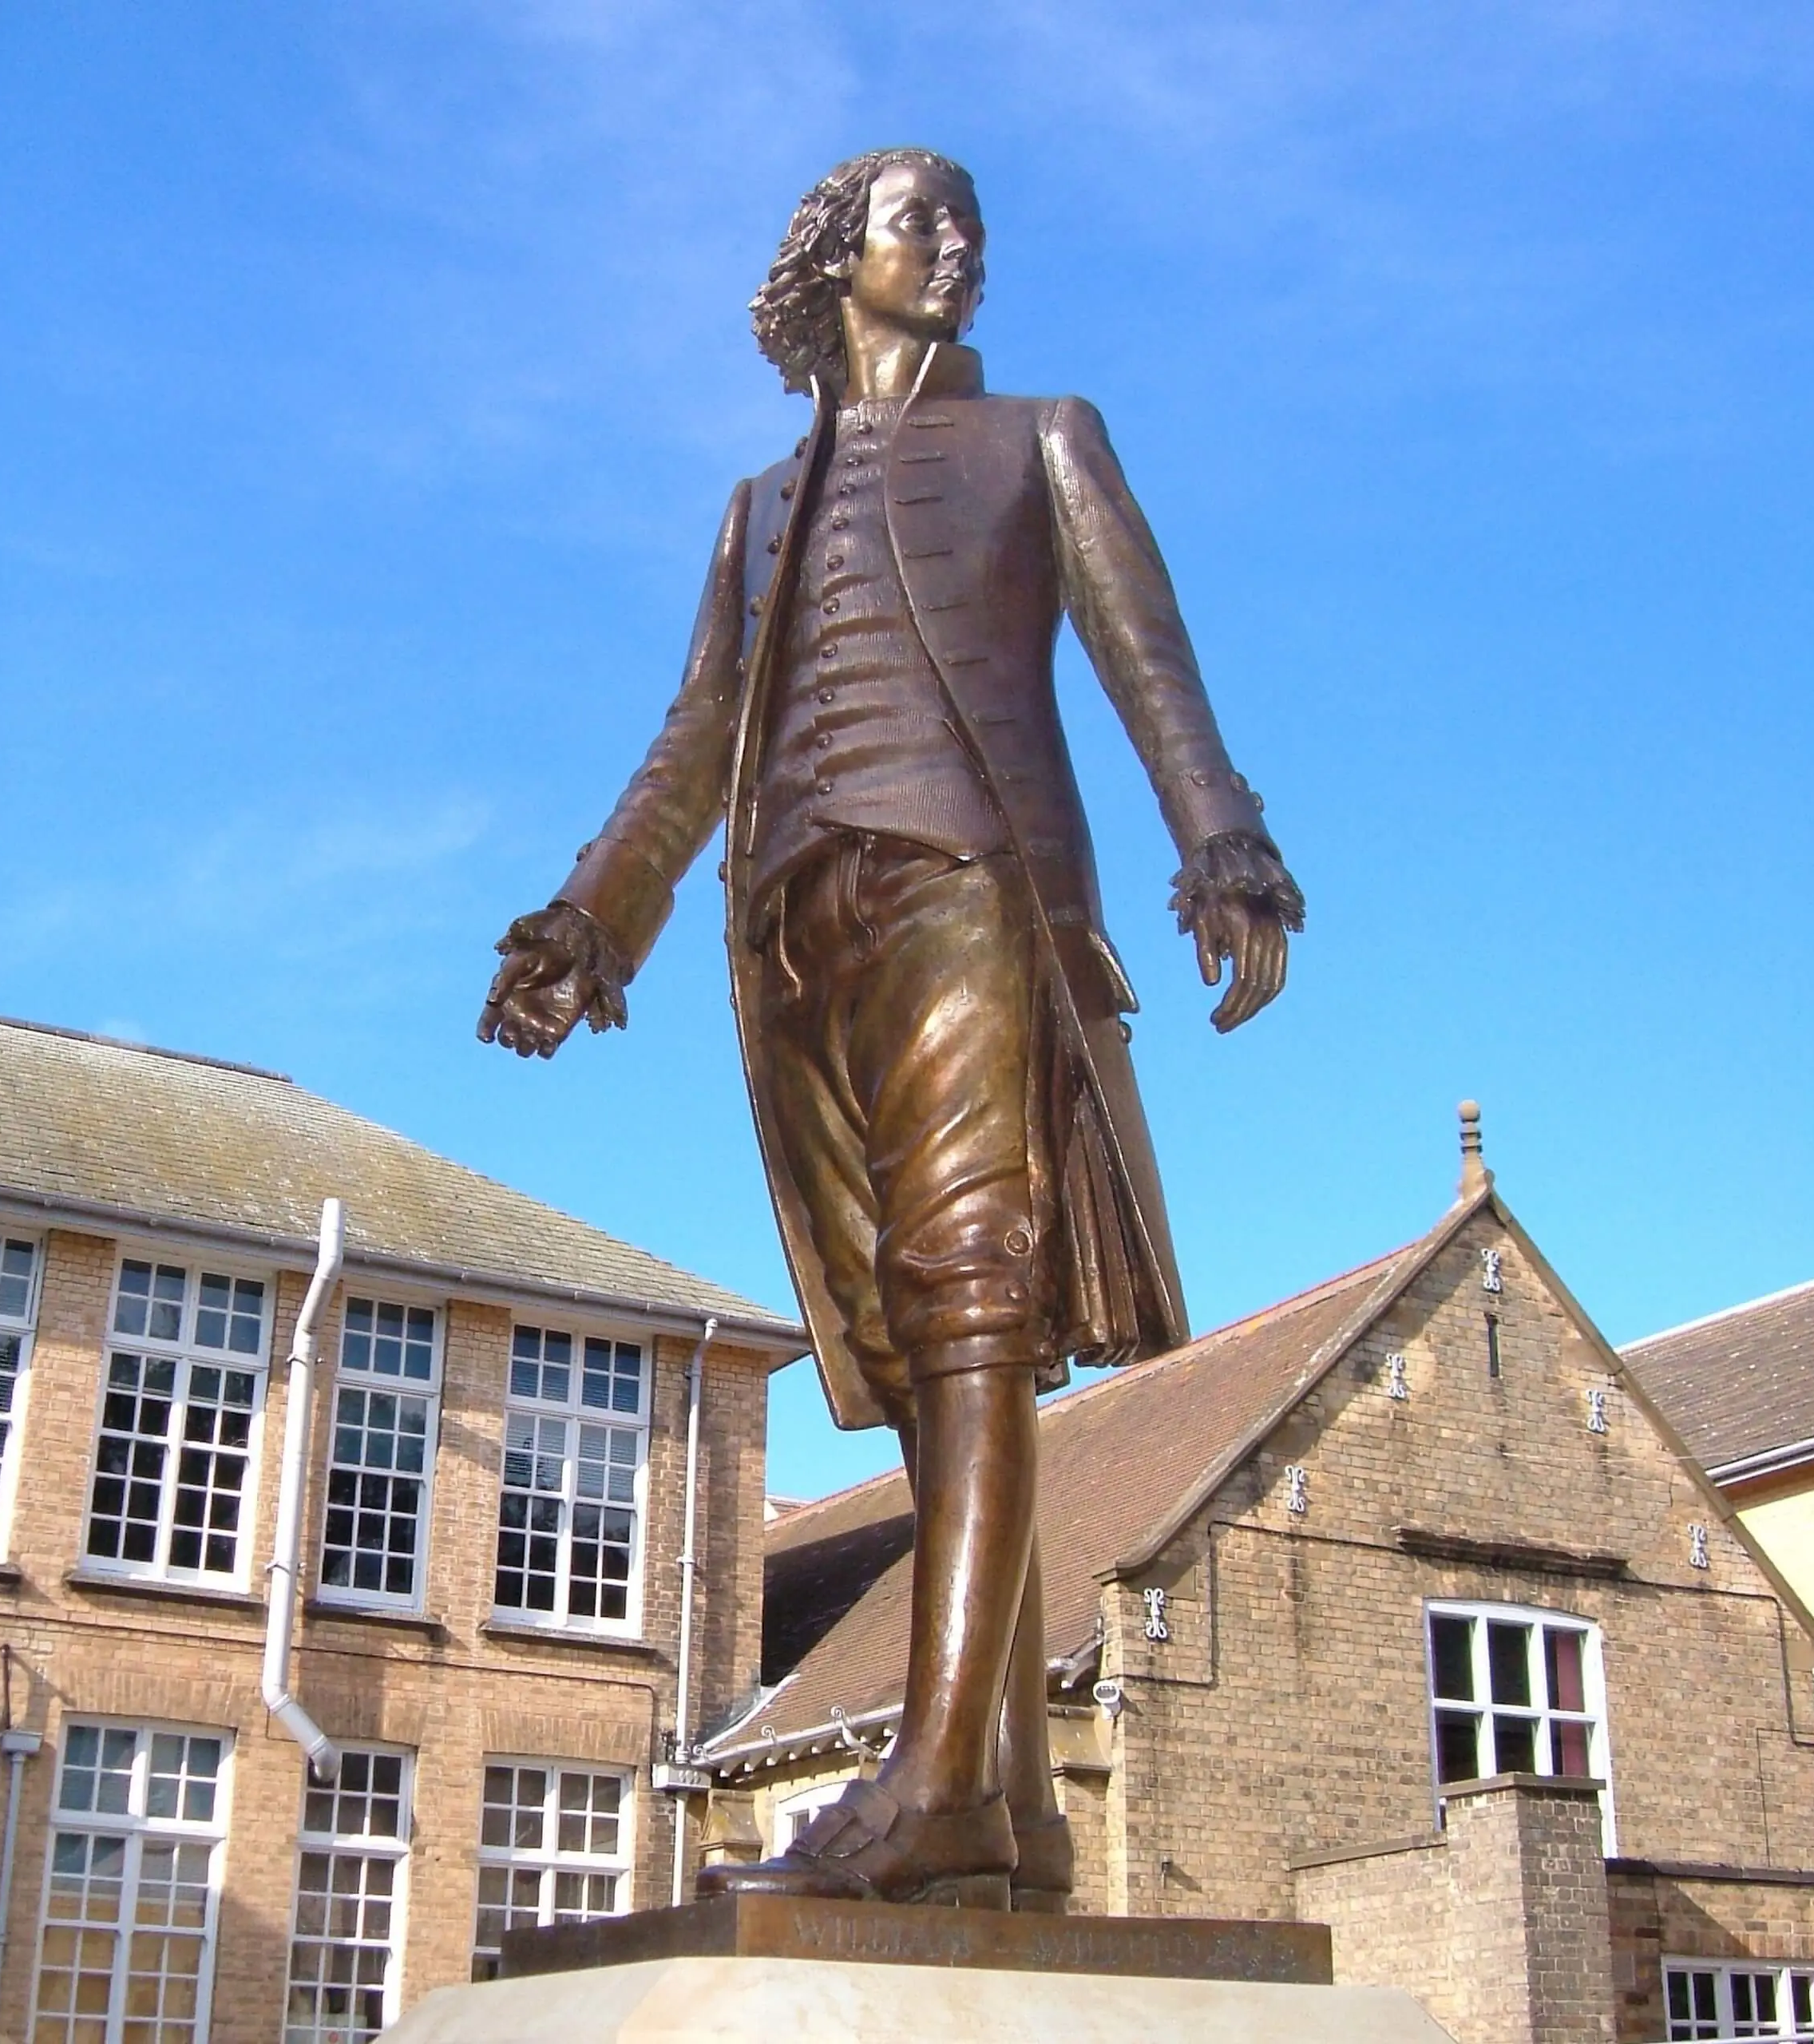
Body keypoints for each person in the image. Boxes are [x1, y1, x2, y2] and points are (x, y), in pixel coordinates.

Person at [477, 147, 1303, 1911]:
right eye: (916, 219)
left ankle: (930, 1781)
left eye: (968, 224)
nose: (956, 246)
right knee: (920, 1349)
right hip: (792, 925)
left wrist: (1218, 830)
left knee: (971, 1286)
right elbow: (696, 737)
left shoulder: (1041, 437)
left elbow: (1142, 645)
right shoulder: (756, 505)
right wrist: (588, 915)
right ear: (829, 261)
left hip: (965, 867)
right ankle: (999, 1804)